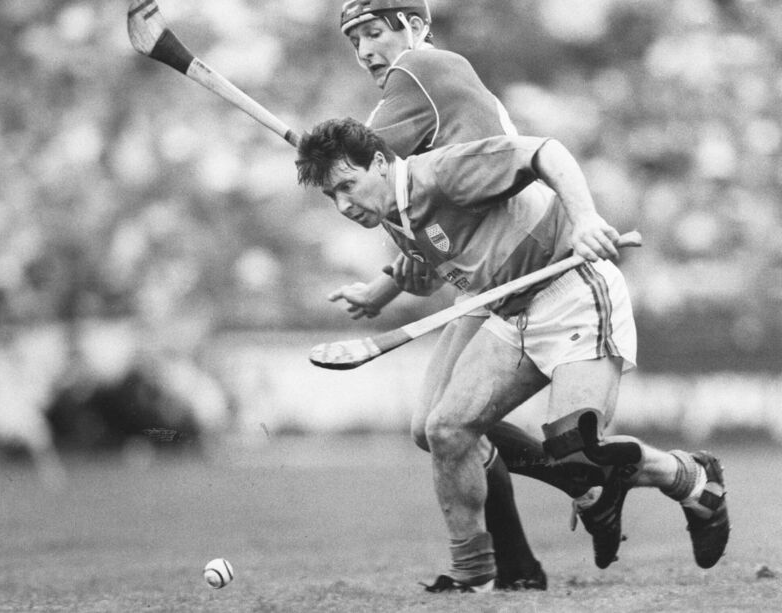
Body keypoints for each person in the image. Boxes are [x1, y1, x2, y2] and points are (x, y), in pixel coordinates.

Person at [295, 117, 730, 591]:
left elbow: (546, 151)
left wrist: (584, 218)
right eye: (330, 196)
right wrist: (384, 292)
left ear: (378, 162)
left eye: (347, 186)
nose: (342, 204)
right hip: (510, 315)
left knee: (578, 455)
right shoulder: (392, 212)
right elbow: (442, 256)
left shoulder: (441, 172)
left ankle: (691, 478)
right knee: (447, 429)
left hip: (572, 294)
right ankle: (473, 576)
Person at [330, 0, 622, 588]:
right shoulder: (421, 100)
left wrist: (326, 160)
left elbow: (370, 163)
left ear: (413, 27)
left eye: (373, 33)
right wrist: (386, 288)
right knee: (435, 430)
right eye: (354, 40)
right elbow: (417, 211)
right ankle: (528, 554)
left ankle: (593, 492)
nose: (364, 52)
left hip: (533, 265)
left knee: (452, 429)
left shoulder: (421, 69)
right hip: (491, 280)